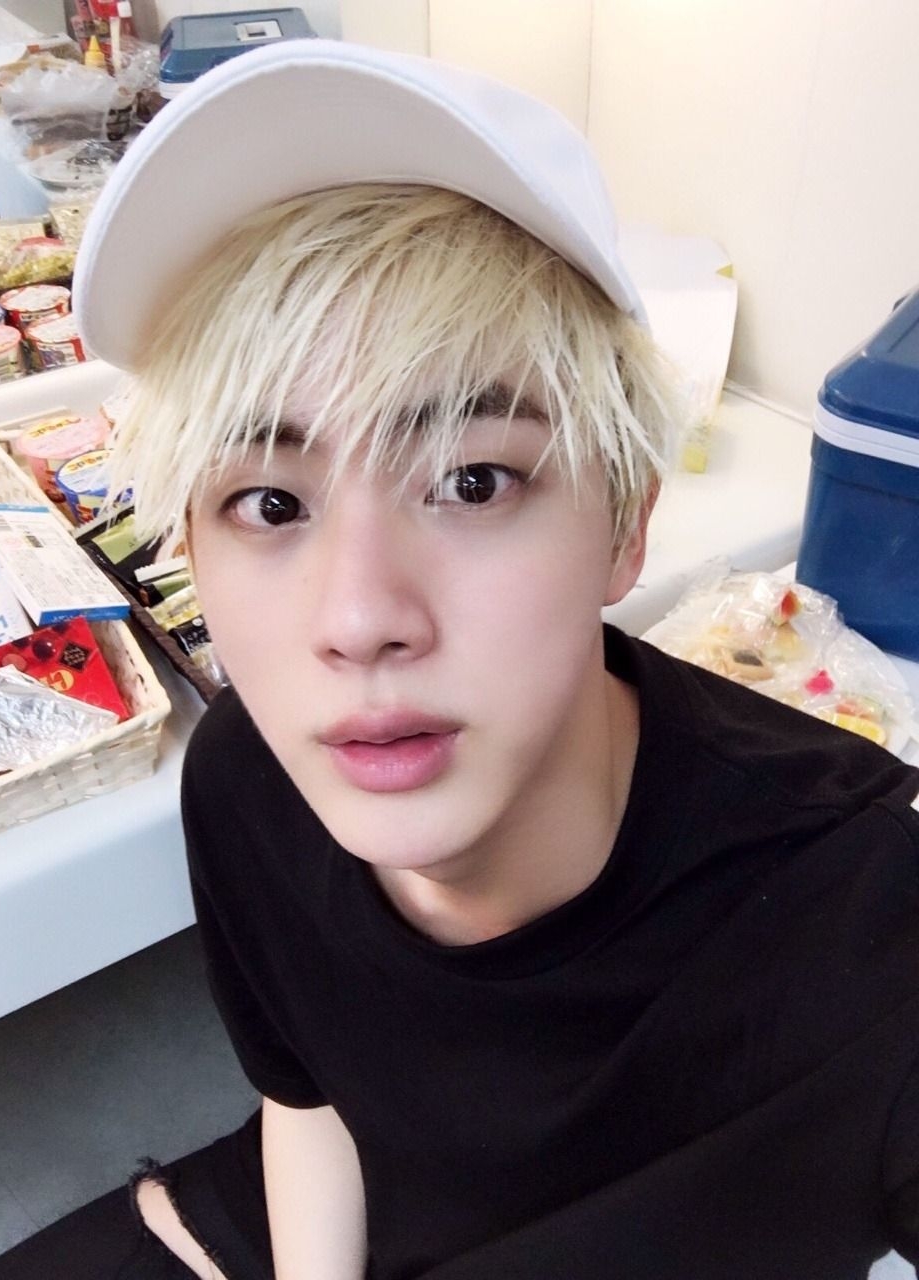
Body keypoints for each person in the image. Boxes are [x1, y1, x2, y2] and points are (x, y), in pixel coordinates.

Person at [62, 37, 919, 1280]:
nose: (360, 616)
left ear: (625, 523)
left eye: (473, 480)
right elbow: (311, 1098)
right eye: (270, 501)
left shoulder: (865, 931)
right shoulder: (249, 777)